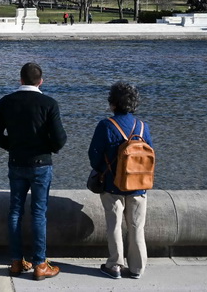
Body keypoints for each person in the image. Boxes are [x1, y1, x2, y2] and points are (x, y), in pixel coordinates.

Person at [0, 63, 67, 280]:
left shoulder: (6, 102)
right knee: (39, 213)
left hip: (16, 162)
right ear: (41, 81)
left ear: (20, 80)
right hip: (41, 164)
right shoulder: (49, 103)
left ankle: (15, 261)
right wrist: (46, 148)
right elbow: (60, 140)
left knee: (15, 211)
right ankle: (40, 264)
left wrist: (13, 146)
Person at [88, 82, 153, 280]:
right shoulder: (143, 127)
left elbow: (94, 155)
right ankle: (137, 268)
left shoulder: (106, 125)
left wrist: (101, 170)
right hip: (139, 185)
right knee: (136, 227)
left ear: (113, 103)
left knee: (114, 225)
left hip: (111, 185)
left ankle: (115, 265)